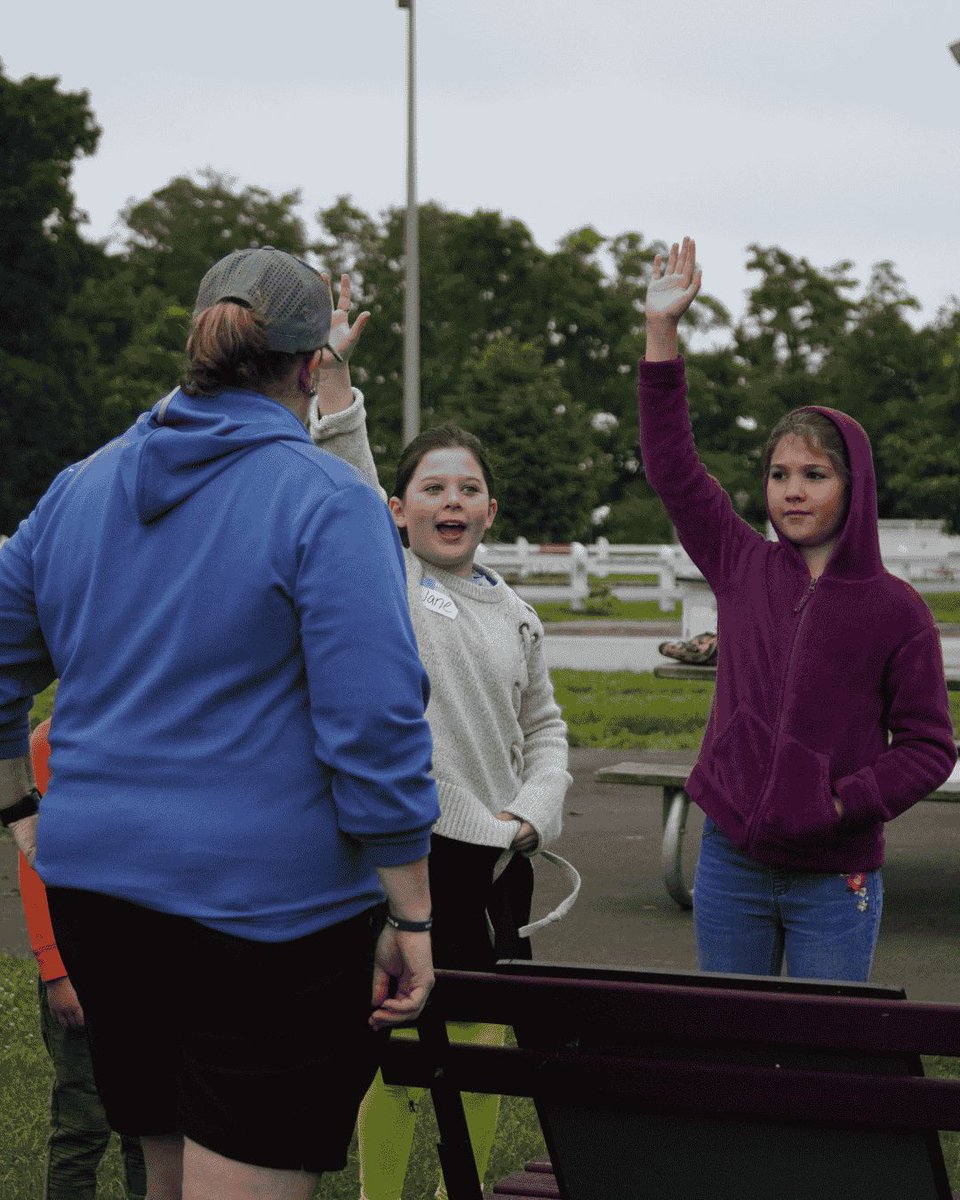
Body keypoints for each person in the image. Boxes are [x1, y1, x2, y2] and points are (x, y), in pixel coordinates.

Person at [0, 246, 440, 1200]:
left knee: (166, 1176)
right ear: (310, 364)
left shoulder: (78, 488)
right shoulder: (328, 501)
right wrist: (411, 906)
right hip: (268, 914)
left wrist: (16, 806)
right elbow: (373, 727)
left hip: (102, 897)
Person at [309, 275, 576, 1200]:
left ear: (491, 512)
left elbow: (545, 729)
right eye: (432, 488)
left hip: (499, 859)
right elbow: (349, 464)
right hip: (414, 855)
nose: (450, 500)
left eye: (469, 489)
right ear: (400, 510)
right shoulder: (386, 579)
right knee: (400, 1052)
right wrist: (335, 377)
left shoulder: (517, 612)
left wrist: (530, 817)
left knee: (484, 1047)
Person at [639, 236, 956, 982]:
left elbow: (929, 748)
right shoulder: (741, 563)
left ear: (854, 486)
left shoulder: (896, 610)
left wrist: (844, 801)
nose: (792, 489)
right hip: (730, 859)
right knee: (730, 1044)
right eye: (779, 473)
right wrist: (661, 334)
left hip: (833, 877)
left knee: (823, 1054)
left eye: (815, 473)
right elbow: (673, 469)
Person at [19, 717, 147, 1200]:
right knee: (81, 1127)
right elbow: (34, 867)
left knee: (151, 1127)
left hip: (152, 969)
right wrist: (55, 970)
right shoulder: (51, 742)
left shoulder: (158, 730)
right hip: (80, 968)